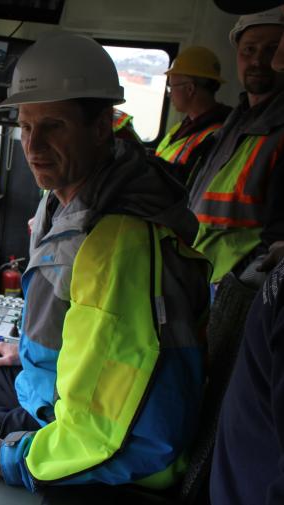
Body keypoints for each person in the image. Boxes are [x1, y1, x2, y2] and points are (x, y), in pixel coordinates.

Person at [0, 32, 211, 493]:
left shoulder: (116, 245)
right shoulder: (76, 197)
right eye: (25, 125)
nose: (34, 146)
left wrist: (14, 458)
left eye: (54, 126)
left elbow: (108, 428)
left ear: (102, 126)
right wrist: (28, 352)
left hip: (98, 446)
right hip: (60, 393)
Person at [209, 2, 284, 504]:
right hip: (212, 281)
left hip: (246, 285)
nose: (263, 61)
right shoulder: (241, 116)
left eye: (273, 49)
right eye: (250, 50)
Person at [187, 8, 284, 285]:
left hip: (238, 286)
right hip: (202, 276)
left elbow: (278, 238)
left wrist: (243, 288)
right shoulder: (235, 123)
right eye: (248, 50)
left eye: (271, 49)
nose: (257, 60)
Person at [155, 46, 232, 182]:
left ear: (190, 88)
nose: (169, 94)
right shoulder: (184, 125)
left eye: (171, 87)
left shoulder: (218, 134)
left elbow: (186, 180)